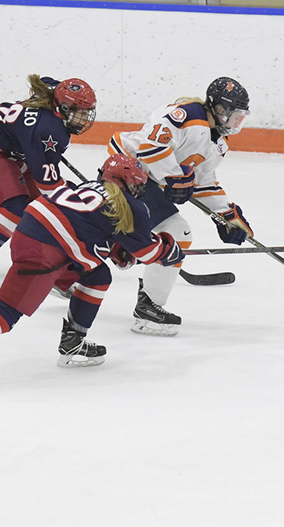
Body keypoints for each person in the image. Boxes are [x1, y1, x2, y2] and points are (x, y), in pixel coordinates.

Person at [0, 154, 184, 392]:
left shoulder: (89, 188)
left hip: (34, 233)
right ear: (131, 183)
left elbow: (93, 229)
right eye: (138, 185)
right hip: (46, 249)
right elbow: (150, 253)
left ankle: (73, 343)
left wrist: (117, 251)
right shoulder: (129, 205)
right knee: (6, 313)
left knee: (98, 276)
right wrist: (171, 250)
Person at [107, 76, 253, 337]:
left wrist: (227, 215)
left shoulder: (218, 142)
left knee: (159, 236)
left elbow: (203, 182)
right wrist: (173, 175)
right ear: (219, 109)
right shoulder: (186, 116)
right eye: (234, 116)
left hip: (149, 182)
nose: (236, 123)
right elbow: (150, 148)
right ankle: (146, 309)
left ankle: (66, 271)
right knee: (163, 234)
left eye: (240, 117)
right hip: (127, 173)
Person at [0, 74, 97, 289]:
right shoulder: (49, 131)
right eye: (80, 113)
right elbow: (50, 188)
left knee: (38, 207)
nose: (85, 119)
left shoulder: (55, 94)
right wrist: (77, 200)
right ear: (63, 108)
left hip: (14, 150)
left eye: (87, 112)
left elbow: (45, 81)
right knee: (18, 209)